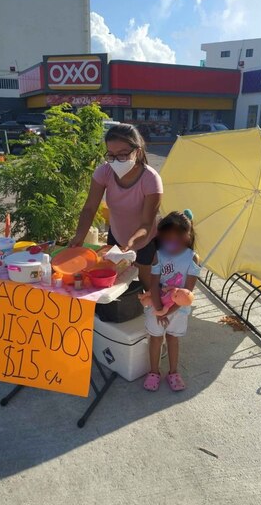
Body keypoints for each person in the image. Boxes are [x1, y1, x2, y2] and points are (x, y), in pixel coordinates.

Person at [71, 124, 162, 285]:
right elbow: (90, 208)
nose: (116, 160)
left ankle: (150, 299)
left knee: (146, 282)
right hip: (116, 235)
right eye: (111, 155)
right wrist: (79, 237)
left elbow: (147, 224)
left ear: (137, 152)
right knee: (112, 280)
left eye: (123, 154)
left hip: (144, 240)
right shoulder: (104, 172)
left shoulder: (151, 179)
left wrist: (130, 244)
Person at [142, 211, 202, 392]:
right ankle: (154, 372)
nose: (169, 245)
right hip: (157, 304)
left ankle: (173, 372)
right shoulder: (158, 255)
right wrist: (159, 308)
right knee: (155, 338)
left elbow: (188, 293)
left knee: (172, 338)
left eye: (174, 241)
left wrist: (167, 312)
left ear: (187, 237)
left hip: (178, 309)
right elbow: (153, 283)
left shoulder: (193, 258)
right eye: (165, 240)